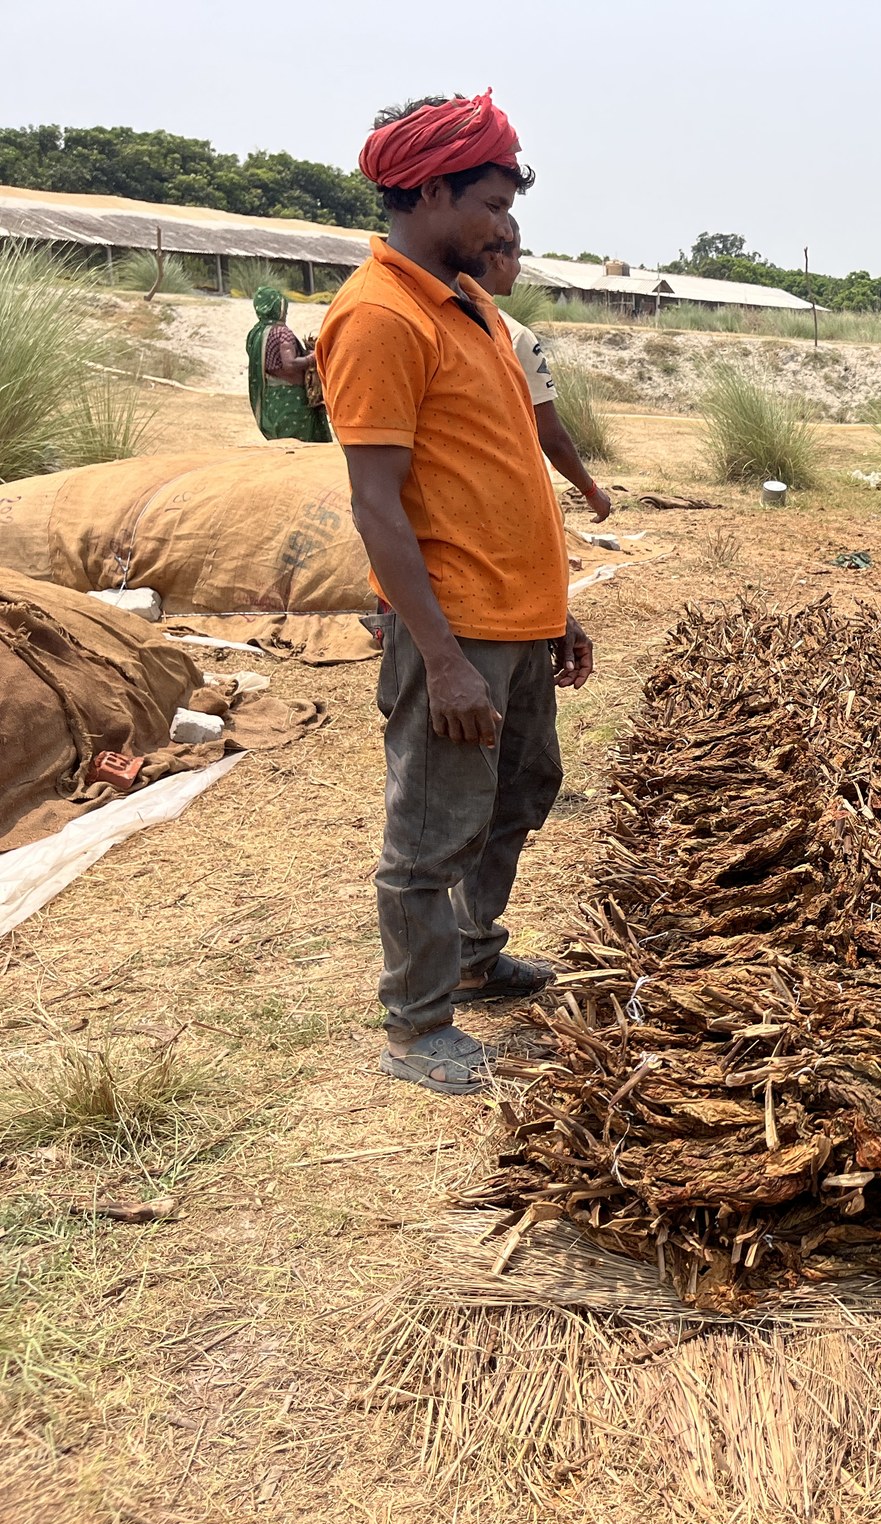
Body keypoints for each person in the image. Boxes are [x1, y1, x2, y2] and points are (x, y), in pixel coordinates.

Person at [316, 91, 594, 1095]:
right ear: (428, 190)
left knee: (519, 793)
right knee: (430, 831)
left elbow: (502, 471)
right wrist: (439, 660)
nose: (500, 224)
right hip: (456, 630)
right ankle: (417, 1025)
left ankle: (473, 956)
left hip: (516, 619)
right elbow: (377, 506)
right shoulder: (380, 318)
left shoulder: (473, 306)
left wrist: (555, 604)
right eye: (487, 200)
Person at [478, 220, 612, 522]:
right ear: (500, 258)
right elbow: (550, 435)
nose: (519, 267)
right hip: (503, 499)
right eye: (519, 257)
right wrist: (591, 492)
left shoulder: (438, 320)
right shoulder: (514, 336)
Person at [246, 286, 331, 442]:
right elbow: (290, 364)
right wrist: (314, 357)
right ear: (275, 307)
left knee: (280, 443)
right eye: (283, 308)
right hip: (292, 400)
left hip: (271, 399)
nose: (285, 313)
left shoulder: (256, 334)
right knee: (300, 445)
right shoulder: (282, 333)